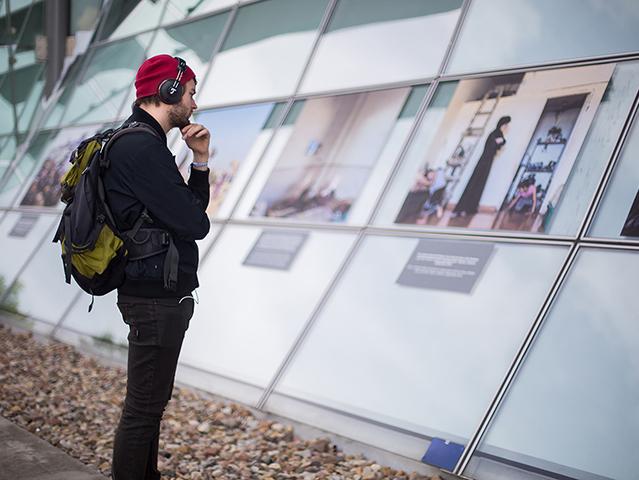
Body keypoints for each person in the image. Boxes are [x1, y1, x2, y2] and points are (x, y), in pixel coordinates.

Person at [103, 54, 211, 480]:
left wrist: (199, 160)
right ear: (168, 92)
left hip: (153, 293)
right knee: (143, 410)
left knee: (149, 407)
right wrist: (196, 177)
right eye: (190, 93)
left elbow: (188, 214)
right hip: (153, 298)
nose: (195, 104)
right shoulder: (142, 148)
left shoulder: (140, 141)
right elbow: (195, 222)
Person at [452, 115, 511, 217]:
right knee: (474, 183)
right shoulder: (495, 133)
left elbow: (500, 143)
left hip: (487, 161)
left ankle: (470, 208)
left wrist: (501, 142)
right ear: (502, 124)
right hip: (484, 161)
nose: (506, 127)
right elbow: (493, 144)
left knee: (480, 184)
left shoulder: (499, 134)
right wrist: (499, 142)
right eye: (506, 125)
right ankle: (460, 209)